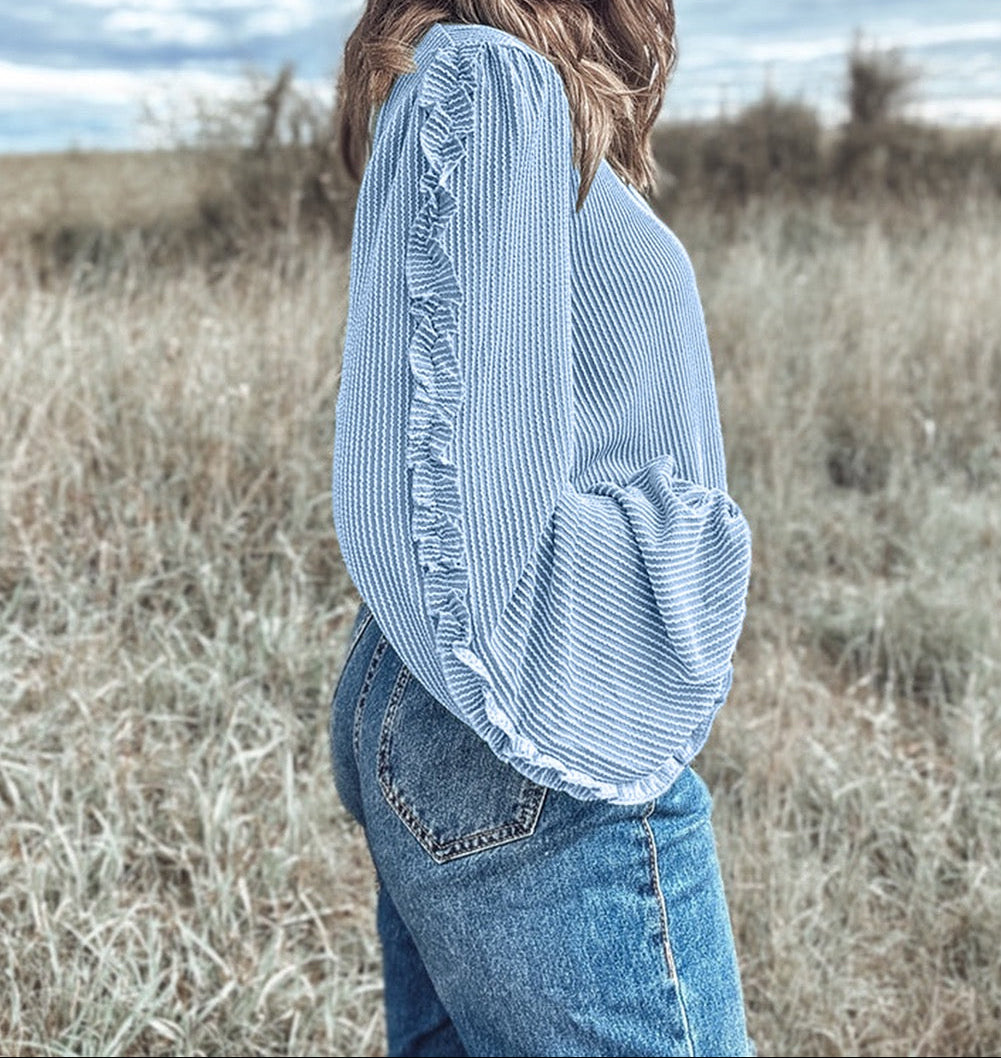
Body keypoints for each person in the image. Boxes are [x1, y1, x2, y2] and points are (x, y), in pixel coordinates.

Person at [327, 4, 754, 1055]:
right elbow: (469, 514)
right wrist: (612, 677)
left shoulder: (481, 87)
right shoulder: (492, 80)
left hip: (476, 723)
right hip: (535, 739)